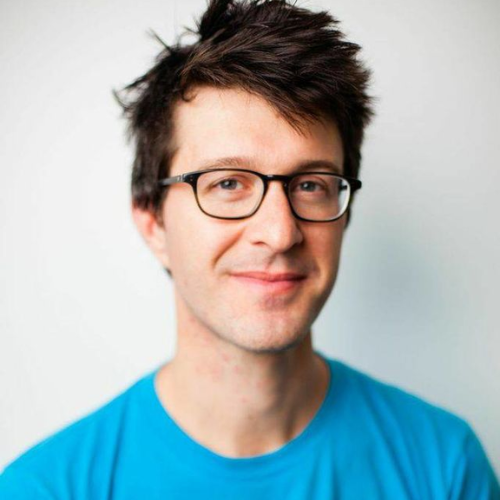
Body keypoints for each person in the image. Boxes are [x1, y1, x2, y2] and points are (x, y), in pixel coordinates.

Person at [1, 0, 498, 498]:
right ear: (153, 223)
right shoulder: (45, 489)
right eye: (228, 183)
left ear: (344, 214)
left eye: (311, 185)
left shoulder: (444, 467)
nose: (280, 233)